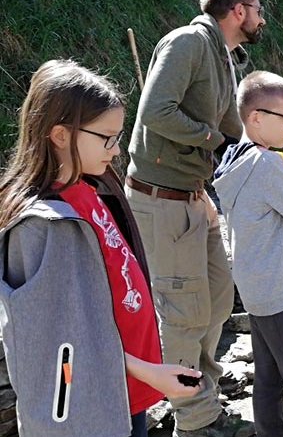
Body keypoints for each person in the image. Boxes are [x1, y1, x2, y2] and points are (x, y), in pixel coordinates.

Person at [0, 59, 202, 437]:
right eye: (106, 138)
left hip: (125, 392)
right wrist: (147, 370)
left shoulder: (93, 188)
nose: (116, 149)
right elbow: (58, 341)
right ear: (60, 135)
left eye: (119, 137)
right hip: (90, 410)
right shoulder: (39, 228)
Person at [124, 0, 265, 434]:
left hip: (191, 194)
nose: (262, 19)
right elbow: (154, 112)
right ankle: (197, 420)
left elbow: (226, 128)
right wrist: (214, 142)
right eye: (259, 9)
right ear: (239, 10)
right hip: (160, 198)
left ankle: (199, 394)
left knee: (219, 298)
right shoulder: (187, 42)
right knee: (184, 312)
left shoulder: (223, 54)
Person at [212, 71, 283, 437]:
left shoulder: (232, 159)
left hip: (256, 288)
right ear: (256, 117)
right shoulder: (267, 165)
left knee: (269, 378)